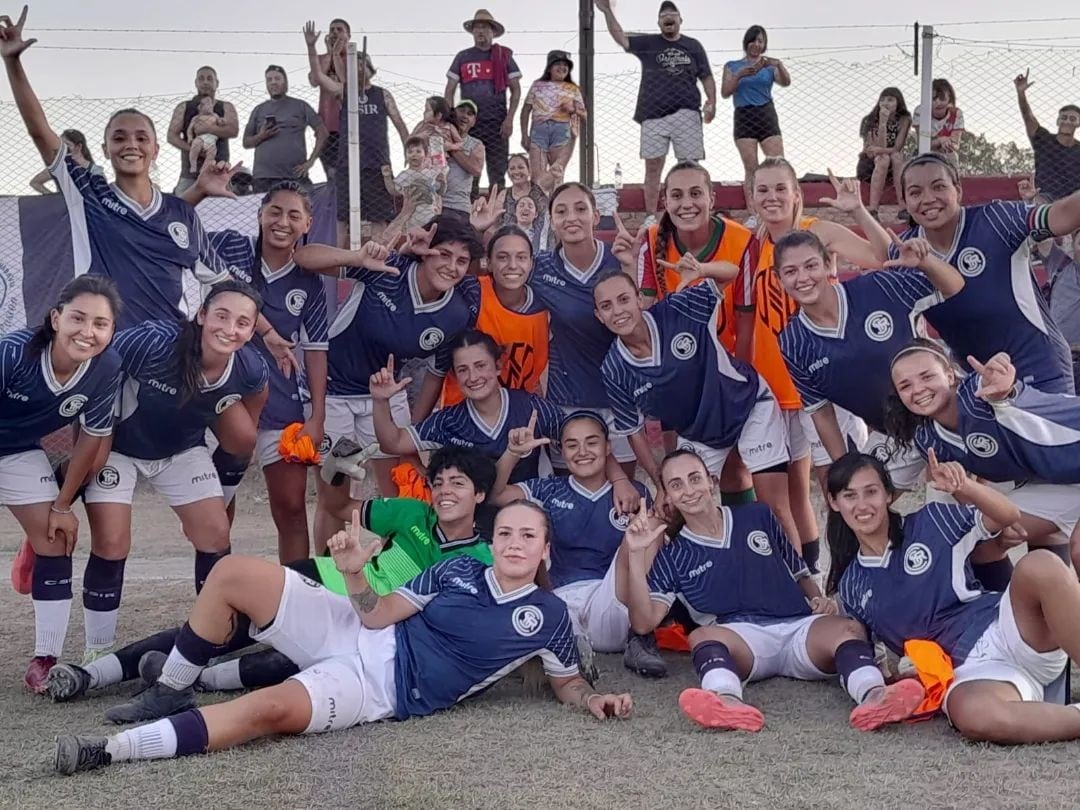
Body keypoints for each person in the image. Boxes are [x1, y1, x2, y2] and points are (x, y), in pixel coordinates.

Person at [51, 501, 632, 775]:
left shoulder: (551, 614)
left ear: (544, 549)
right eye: (505, 531)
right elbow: (376, 615)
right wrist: (354, 570)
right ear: (493, 537)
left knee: (270, 709)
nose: (513, 543)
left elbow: (568, 683)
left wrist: (592, 699)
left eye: (527, 535)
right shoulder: (455, 570)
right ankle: (172, 688)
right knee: (232, 574)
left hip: (380, 685)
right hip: (360, 629)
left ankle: (113, 751)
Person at [45, 447, 501, 706]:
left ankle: (186, 678)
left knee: (295, 663)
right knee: (224, 630)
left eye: (457, 484)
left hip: (370, 621)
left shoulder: (483, 557)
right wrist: (336, 471)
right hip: (324, 578)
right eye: (439, 482)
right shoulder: (412, 512)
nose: (444, 492)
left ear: (479, 494)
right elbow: (341, 507)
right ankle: (92, 676)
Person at [618, 449, 925, 732]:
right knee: (702, 636)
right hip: (744, 642)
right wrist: (634, 555)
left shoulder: (757, 515)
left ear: (711, 482)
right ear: (667, 496)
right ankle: (726, 700)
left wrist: (817, 598)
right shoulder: (675, 555)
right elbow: (643, 622)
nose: (688, 489)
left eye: (695, 478)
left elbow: (798, 570)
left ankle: (874, 696)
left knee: (848, 628)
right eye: (676, 484)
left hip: (798, 629)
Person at [826, 451, 1080, 745]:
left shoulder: (931, 522)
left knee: (1040, 566)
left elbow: (1008, 515)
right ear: (834, 503)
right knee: (973, 715)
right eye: (849, 496)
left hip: (1007, 628)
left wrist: (964, 487)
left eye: (871, 492)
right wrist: (878, 690)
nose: (862, 505)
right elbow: (865, 655)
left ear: (888, 494)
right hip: (967, 673)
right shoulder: (851, 585)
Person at [79, 281, 268, 646]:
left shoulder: (250, 369)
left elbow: (256, 399)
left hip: (181, 451)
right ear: (201, 315)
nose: (230, 329)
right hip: (121, 447)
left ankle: (212, 637)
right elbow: (95, 368)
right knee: (112, 542)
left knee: (215, 534)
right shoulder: (153, 343)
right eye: (222, 316)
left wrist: (221, 497)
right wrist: (93, 439)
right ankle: (97, 651)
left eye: (243, 323)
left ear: (251, 330)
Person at [292, 215, 481, 533]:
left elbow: (435, 375)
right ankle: (328, 576)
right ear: (425, 251)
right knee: (335, 494)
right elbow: (303, 258)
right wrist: (356, 257)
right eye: (444, 254)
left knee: (400, 489)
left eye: (462, 261)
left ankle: (397, 572)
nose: (452, 266)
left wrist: (414, 436)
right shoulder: (389, 270)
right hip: (334, 392)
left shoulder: (456, 312)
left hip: (385, 396)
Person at [594, 268, 802, 553]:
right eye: (607, 306)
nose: (618, 311)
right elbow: (634, 432)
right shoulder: (614, 368)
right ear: (599, 316)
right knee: (676, 511)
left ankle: (799, 587)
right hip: (699, 433)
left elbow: (730, 272)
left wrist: (703, 270)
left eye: (623, 299)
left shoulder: (678, 309)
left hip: (749, 405)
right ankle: (694, 584)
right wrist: (660, 482)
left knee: (772, 508)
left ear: (639, 300)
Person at [1, 277, 123, 691]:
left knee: (55, 538)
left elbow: (91, 437)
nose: (87, 332)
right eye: (77, 318)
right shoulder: (13, 353)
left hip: (16, 451)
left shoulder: (107, 367)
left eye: (100, 324)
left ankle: (44, 658)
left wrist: (62, 506)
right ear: (56, 318)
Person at [746, 158, 891, 500]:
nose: (772, 197)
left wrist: (859, 212)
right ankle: (809, 557)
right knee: (799, 495)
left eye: (781, 188)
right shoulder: (755, 244)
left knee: (841, 484)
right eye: (763, 189)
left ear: (796, 194)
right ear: (751, 197)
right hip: (778, 384)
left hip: (826, 379)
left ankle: (859, 553)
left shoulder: (818, 231)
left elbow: (885, 256)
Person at [776, 229, 964, 490]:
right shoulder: (793, 342)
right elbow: (821, 412)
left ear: (829, 265)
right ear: (779, 279)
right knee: (859, 499)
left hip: (948, 417)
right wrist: (845, 469)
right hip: (894, 435)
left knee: (956, 513)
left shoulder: (876, 287)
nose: (803, 278)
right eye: (791, 271)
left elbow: (953, 285)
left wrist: (926, 261)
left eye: (811, 265)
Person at [489, 411, 664, 678]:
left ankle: (639, 639)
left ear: (607, 448)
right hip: (560, 601)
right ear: (562, 450)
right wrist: (513, 452)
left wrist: (619, 480)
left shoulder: (633, 493)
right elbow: (496, 495)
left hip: (613, 602)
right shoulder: (549, 490)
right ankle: (570, 650)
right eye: (572, 444)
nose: (582, 451)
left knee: (646, 529)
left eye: (592, 442)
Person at [207, 182, 328, 564]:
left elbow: (316, 351)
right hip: (221, 399)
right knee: (217, 506)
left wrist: (317, 416)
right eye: (275, 211)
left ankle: (294, 598)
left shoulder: (309, 282)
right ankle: (215, 589)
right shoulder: (234, 249)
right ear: (260, 215)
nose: (282, 222)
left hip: (281, 405)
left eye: (294, 215)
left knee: (292, 507)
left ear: (307, 223)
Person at [893, 152, 1080, 395]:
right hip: (977, 382)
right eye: (915, 192)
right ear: (905, 200)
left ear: (958, 189)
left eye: (938, 187)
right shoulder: (905, 252)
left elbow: (1063, 215)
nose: (928, 199)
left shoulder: (997, 220)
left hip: (1040, 370)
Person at [885, 341, 1080, 567]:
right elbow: (969, 503)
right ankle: (996, 603)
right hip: (1060, 482)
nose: (918, 389)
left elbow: (1003, 391)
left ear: (950, 376)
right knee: (980, 545)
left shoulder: (977, 392)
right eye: (905, 386)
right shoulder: (929, 439)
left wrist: (1003, 387)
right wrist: (994, 519)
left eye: (927, 376)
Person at [522, 182, 640, 476]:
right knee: (571, 490)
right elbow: (499, 284)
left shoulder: (620, 259)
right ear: (552, 220)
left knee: (623, 491)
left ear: (595, 216)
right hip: (567, 398)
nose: (571, 217)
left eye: (580, 209)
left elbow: (642, 327)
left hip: (620, 395)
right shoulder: (541, 268)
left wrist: (632, 268)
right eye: (561, 211)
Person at [369, 330, 563, 485]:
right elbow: (393, 443)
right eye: (463, 369)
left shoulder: (531, 407)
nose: (473, 377)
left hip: (531, 515)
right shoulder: (450, 420)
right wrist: (380, 401)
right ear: (454, 375)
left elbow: (575, 434)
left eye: (480, 366)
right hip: (475, 521)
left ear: (498, 366)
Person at [594, 0, 715, 218]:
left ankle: (696, 211)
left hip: (687, 113)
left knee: (690, 166)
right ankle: (651, 216)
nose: (668, 18)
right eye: (663, 15)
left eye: (672, 14)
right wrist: (607, 11)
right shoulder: (649, 43)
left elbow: (706, 76)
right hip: (652, 115)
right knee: (652, 168)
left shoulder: (693, 46)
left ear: (680, 20)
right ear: (659, 22)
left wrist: (712, 101)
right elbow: (622, 39)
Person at [304, 22, 409, 244]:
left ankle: (378, 259)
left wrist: (407, 148)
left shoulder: (382, 94)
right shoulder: (344, 92)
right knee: (343, 217)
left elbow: (400, 123)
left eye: (364, 64)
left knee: (379, 217)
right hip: (347, 163)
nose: (360, 68)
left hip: (376, 163)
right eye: (355, 64)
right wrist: (312, 47)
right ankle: (342, 264)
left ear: (371, 69)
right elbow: (319, 78)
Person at [442, 225, 549, 406]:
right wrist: (476, 231)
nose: (512, 265)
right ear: (489, 262)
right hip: (462, 413)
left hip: (516, 413)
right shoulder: (473, 292)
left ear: (531, 263)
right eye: (502, 257)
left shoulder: (545, 305)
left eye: (521, 257)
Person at [445, 9, 521, 190]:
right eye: (477, 27)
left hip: (497, 122)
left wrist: (509, 119)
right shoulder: (463, 57)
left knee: (498, 171)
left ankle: (498, 212)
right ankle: (468, 212)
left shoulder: (504, 57)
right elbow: (449, 89)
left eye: (485, 28)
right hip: (469, 123)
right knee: (469, 171)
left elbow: (516, 90)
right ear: (472, 32)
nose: (480, 31)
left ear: (493, 32)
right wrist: (451, 119)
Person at [721, 25, 790, 198]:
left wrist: (779, 65)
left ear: (764, 44)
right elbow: (725, 92)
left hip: (766, 113)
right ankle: (754, 212)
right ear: (746, 42)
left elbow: (786, 81)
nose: (756, 44)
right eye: (753, 40)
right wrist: (739, 75)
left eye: (760, 41)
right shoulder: (732, 66)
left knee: (778, 163)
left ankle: (784, 204)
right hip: (744, 116)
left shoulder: (768, 67)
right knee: (751, 167)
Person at [243, 64, 328, 193]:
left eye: (277, 79)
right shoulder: (259, 109)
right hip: (264, 178)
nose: (273, 83)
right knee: (267, 212)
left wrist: (310, 162)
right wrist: (261, 136)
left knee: (304, 211)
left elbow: (322, 132)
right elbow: (246, 142)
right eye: (269, 80)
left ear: (285, 82)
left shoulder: (300, 106)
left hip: (295, 176)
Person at [165, 66, 238, 195]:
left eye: (210, 78)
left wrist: (210, 128)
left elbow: (233, 130)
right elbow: (171, 135)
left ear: (217, 83)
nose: (205, 82)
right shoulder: (184, 107)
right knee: (183, 212)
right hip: (189, 175)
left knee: (221, 213)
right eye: (201, 78)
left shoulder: (226, 107)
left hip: (219, 174)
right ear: (196, 83)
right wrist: (192, 148)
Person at [520, 50, 584, 190]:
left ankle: (554, 208)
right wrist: (524, 135)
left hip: (561, 130)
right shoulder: (537, 85)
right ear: (549, 67)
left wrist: (572, 109)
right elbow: (525, 110)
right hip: (539, 130)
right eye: (558, 64)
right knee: (537, 177)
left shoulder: (572, 88)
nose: (562, 68)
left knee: (557, 174)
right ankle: (539, 208)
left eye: (565, 65)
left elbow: (584, 113)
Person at [1015, 70, 1080, 202]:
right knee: (1040, 202)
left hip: (1073, 202)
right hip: (1045, 197)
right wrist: (1021, 93)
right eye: (1064, 117)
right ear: (1058, 121)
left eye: (1073, 118)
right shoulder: (1044, 140)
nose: (1067, 121)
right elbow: (1028, 117)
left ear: (1078, 124)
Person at [856, 88, 911, 219]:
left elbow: (897, 147)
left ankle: (903, 207)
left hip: (894, 164)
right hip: (871, 165)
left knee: (896, 157)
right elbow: (872, 151)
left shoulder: (904, 119)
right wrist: (882, 122)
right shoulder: (869, 120)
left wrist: (881, 150)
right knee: (884, 158)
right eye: (883, 100)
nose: (885, 103)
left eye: (890, 100)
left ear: (898, 103)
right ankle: (873, 209)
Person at [307, 17, 350, 180]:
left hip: (349, 126)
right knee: (332, 175)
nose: (335, 33)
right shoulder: (321, 59)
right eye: (332, 30)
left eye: (340, 30)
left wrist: (337, 55)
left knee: (350, 176)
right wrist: (330, 55)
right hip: (327, 128)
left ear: (348, 35)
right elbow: (315, 80)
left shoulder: (354, 58)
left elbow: (347, 83)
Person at [443, 100, 486, 218]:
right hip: (432, 203)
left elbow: (476, 169)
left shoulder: (476, 144)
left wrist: (451, 147)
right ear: (453, 113)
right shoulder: (437, 134)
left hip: (459, 206)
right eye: (462, 110)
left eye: (470, 113)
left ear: (473, 122)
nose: (465, 115)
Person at [28, 128, 102, 193]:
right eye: (61, 145)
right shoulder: (59, 166)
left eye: (67, 145)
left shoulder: (94, 170)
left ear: (78, 147)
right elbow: (35, 182)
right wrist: (52, 197)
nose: (62, 149)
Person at [394, 136, 444, 229]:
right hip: (412, 216)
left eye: (418, 151)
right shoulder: (404, 175)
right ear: (405, 156)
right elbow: (394, 190)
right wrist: (387, 177)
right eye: (410, 152)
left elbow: (440, 191)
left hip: (431, 214)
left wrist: (443, 182)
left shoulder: (430, 173)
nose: (414, 155)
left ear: (426, 154)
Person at [912, 78, 964, 168]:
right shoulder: (920, 111)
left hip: (946, 152)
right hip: (924, 152)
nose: (938, 102)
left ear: (949, 99)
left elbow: (956, 144)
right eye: (933, 98)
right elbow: (922, 143)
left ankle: (955, 181)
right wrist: (941, 140)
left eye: (942, 98)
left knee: (952, 157)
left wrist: (947, 144)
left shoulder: (956, 114)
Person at [184, 95, 221, 176]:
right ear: (200, 107)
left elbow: (220, 124)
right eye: (207, 104)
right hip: (200, 137)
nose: (210, 107)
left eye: (211, 104)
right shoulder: (196, 118)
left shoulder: (215, 116)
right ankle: (193, 165)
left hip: (212, 139)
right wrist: (190, 137)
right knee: (195, 146)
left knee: (212, 153)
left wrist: (221, 123)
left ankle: (203, 169)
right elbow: (189, 129)